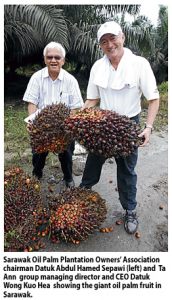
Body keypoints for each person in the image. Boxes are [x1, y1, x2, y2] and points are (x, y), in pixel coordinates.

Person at [79, 21, 159, 234]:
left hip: (128, 126)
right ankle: (81, 194)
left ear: (122, 37)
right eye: (104, 41)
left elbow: (153, 98)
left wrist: (148, 127)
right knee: (92, 163)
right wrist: (77, 117)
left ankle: (130, 210)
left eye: (112, 38)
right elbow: (92, 100)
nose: (109, 44)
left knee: (126, 170)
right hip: (103, 124)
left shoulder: (139, 64)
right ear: (100, 45)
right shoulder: (98, 66)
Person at [23, 41, 84, 187]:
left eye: (57, 57)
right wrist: (31, 123)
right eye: (49, 57)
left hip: (63, 127)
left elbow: (75, 108)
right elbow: (32, 103)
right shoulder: (36, 78)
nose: (53, 60)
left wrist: (65, 125)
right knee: (38, 154)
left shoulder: (71, 80)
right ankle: (36, 175)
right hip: (41, 125)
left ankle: (68, 177)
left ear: (63, 60)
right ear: (45, 59)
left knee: (67, 153)